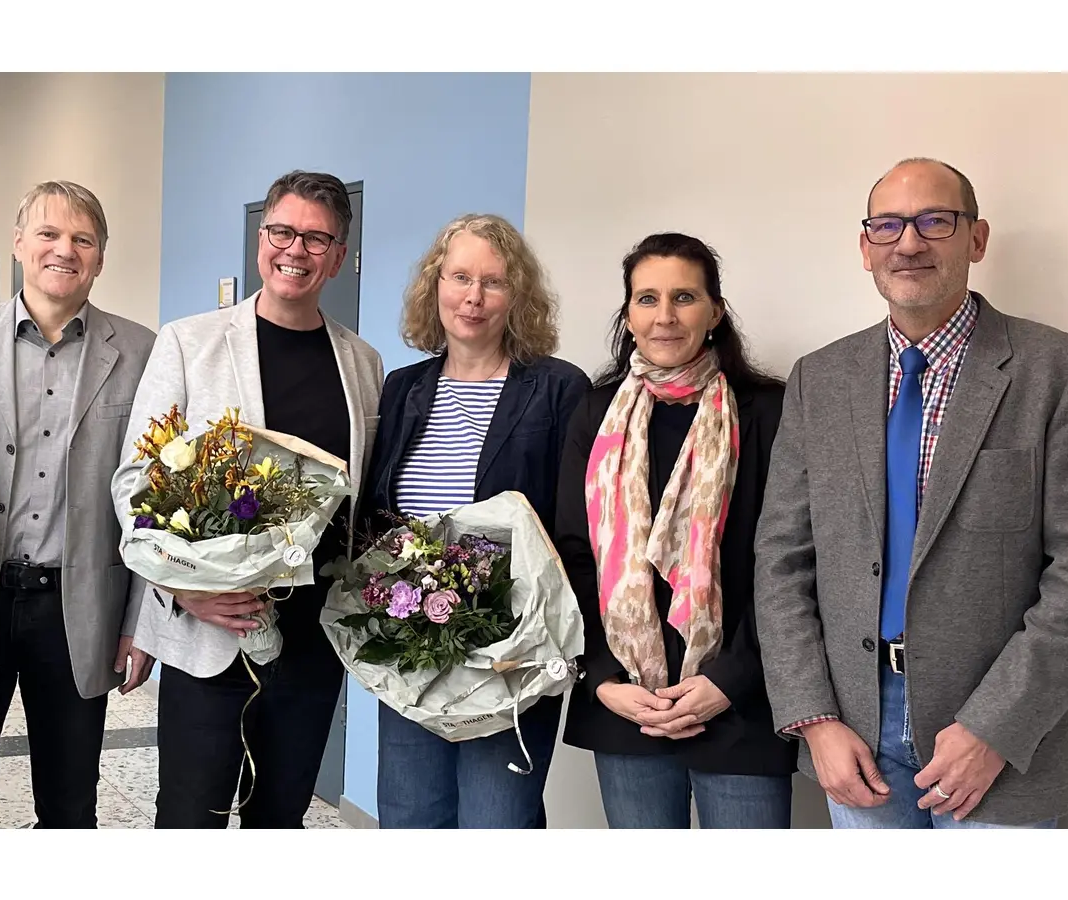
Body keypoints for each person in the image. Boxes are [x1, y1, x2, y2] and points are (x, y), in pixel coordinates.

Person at [753, 157, 1068, 829]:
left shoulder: (1063, 374)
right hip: (853, 730)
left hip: (996, 742)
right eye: (888, 225)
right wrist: (813, 719)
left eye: (935, 221)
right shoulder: (820, 380)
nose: (910, 242)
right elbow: (781, 561)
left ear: (976, 240)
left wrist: (994, 728)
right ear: (866, 249)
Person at [111, 170, 383, 828]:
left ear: (340, 257)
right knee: (188, 816)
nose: (296, 249)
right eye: (283, 231)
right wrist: (184, 589)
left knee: (280, 817)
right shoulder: (189, 341)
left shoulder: (363, 363)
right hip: (211, 628)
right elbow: (135, 482)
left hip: (313, 637)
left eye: (317, 239)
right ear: (261, 239)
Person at [0, 180, 158, 828]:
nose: (64, 249)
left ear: (101, 257)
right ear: (19, 242)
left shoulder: (142, 353)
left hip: (78, 608)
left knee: (70, 803)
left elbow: (153, 505)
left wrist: (140, 621)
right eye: (48, 233)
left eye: (83, 239)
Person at [553, 232, 798, 828]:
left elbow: (791, 563)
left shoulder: (770, 409)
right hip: (627, 702)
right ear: (629, 315)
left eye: (684, 297)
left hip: (740, 704)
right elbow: (571, 556)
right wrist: (603, 680)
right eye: (647, 299)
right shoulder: (596, 411)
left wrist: (729, 680)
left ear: (715, 311)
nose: (664, 316)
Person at [359, 213, 587, 829]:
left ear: (519, 295)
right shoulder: (403, 388)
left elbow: (575, 523)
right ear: (435, 286)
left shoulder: (557, 388)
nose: (474, 296)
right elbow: (376, 512)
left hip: (510, 652)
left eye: (493, 281)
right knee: (410, 821)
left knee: (498, 825)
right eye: (460, 277)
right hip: (410, 650)